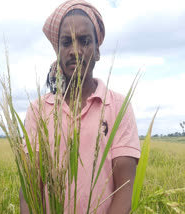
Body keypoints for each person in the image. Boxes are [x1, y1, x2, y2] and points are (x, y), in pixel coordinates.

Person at [20, 0, 140, 213]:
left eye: (84, 41)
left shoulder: (118, 108)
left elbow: (124, 191)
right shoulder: (39, 110)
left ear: (97, 51)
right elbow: (29, 190)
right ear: (58, 52)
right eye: (66, 42)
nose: (74, 50)